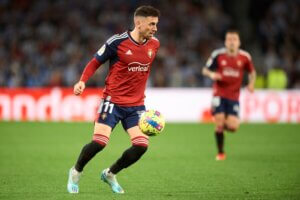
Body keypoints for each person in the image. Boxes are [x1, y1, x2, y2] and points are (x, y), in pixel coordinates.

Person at [67, 5, 160, 194]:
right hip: (112, 102)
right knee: (100, 142)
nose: (155, 28)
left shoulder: (154, 45)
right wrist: (82, 81)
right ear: (138, 23)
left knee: (141, 145)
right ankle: (76, 171)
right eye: (151, 24)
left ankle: (110, 173)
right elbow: (95, 62)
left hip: (136, 106)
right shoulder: (117, 42)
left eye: (156, 24)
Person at [202, 30, 256, 161]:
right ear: (225, 42)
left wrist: (251, 84)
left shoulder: (245, 57)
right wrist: (212, 75)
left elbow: (252, 72)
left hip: (234, 96)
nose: (232, 42)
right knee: (219, 121)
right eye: (229, 39)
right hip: (218, 94)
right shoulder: (218, 55)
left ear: (239, 42)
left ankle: (222, 127)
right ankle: (221, 153)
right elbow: (205, 70)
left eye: (234, 39)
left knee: (233, 127)